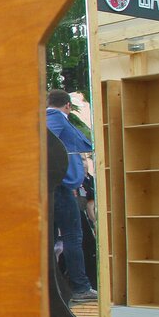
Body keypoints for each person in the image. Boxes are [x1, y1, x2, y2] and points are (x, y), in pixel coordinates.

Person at [46, 88, 98, 302]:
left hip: (57, 186)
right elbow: (47, 143)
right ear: (67, 105)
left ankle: (62, 287)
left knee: (55, 237)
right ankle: (80, 287)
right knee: (72, 236)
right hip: (59, 187)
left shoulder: (50, 118)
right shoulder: (55, 118)